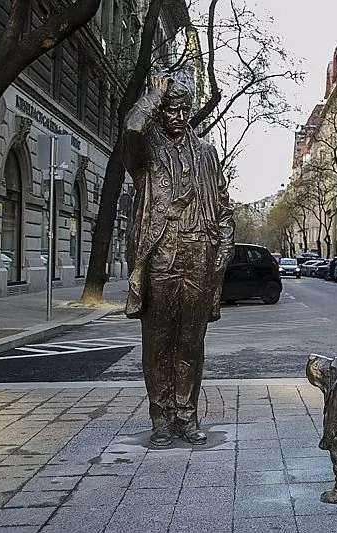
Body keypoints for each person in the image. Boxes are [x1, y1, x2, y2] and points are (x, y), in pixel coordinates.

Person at [122, 74, 235, 447]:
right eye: (172, 109)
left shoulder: (206, 152)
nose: (179, 116)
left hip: (199, 256)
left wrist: (223, 250)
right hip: (161, 255)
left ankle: (186, 415)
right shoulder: (147, 150)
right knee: (157, 342)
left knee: (191, 342)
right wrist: (154, 94)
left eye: (185, 109)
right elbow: (133, 128)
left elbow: (223, 207)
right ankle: (161, 417)